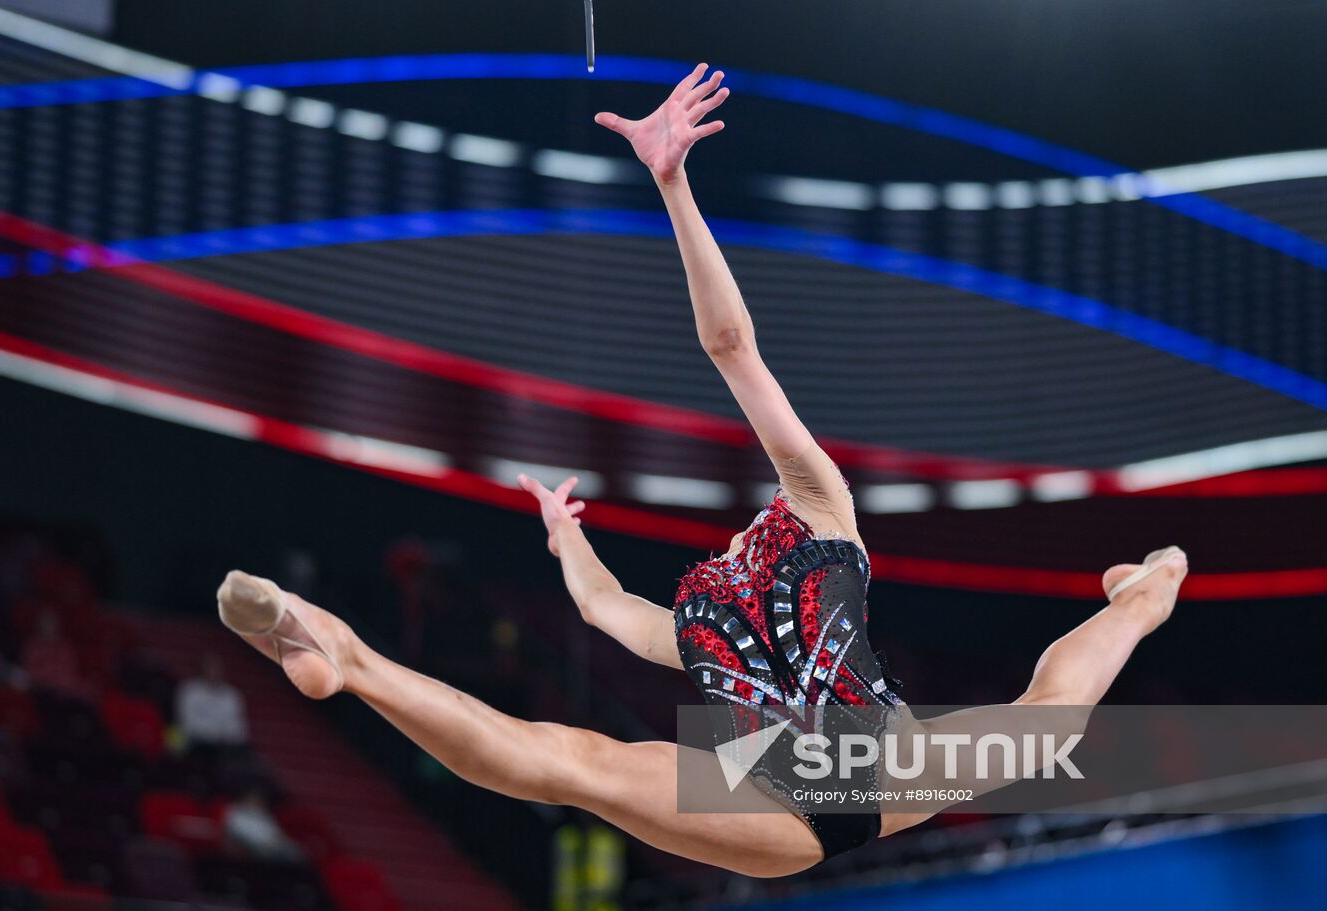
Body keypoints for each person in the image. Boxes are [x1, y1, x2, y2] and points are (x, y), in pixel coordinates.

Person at [215, 65, 1189, 876]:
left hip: (872, 764)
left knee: (1042, 718)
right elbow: (600, 607)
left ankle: (1144, 593)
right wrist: (566, 535)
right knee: (574, 760)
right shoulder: (698, 615)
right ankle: (343, 658)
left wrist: (672, 185)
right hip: (779, 797)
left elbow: (730, 346)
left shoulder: (817, 506)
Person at [175, 653, 250, 753]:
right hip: (199, 744)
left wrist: (226, 737)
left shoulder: (232, 695)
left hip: (228, 746)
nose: (214, 672)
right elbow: (187, 723)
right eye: (210, 668)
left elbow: (240, 727)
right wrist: (213, 736)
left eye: (217, 668)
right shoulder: (190, 691)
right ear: (202, 670)